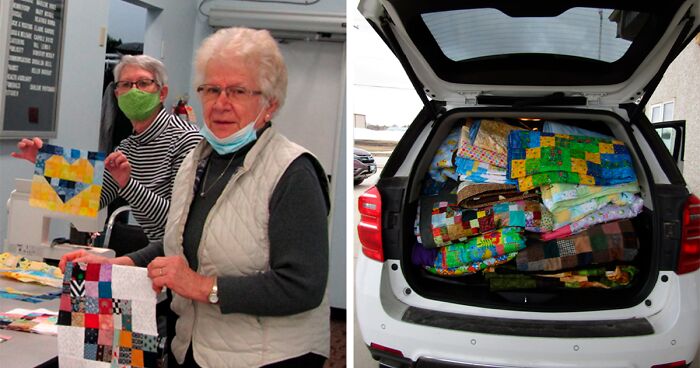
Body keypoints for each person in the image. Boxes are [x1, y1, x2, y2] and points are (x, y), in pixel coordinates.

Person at [60, 27, 330, 367]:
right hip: (190, 346)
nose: (221, 103)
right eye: (211, 89)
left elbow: (303, 286)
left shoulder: (293, 171)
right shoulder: (198, 160)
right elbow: (181, 243)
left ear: (270, 103)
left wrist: (202, 286)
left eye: (238, 91)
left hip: (266, 358)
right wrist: (118, 265)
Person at [12, 55, 202, 244]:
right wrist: (46, 163)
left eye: (143, 83)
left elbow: (180, 222)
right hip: (159, 252)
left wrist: (127, 184)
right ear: (117, 94)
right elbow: (91, 200)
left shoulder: (186, 140)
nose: (134, 91)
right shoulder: (128, 147)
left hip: (185, 258)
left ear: (162, 93)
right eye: (126, 85)